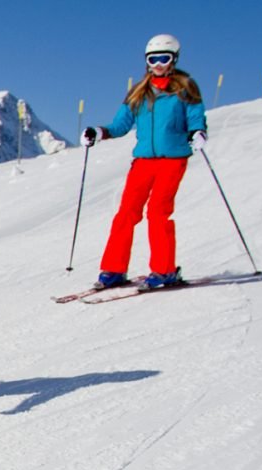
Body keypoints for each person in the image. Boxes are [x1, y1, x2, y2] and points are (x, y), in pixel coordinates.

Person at [81, 34, 208, 291]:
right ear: (147, 61)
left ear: (174, 59)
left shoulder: (186, 89)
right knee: (126, 213)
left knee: (158, 212)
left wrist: (198, 132)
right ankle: (113, 270)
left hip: (173, 159)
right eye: (153, 59)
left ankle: (164, 271)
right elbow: (120, 125)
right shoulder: (139, 92)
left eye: (164, 58)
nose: (159, 64)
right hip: (143, 161)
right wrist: (99, 131)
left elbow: (196, 118)